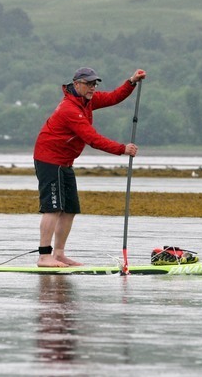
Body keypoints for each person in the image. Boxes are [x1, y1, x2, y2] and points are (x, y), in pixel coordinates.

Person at [33, 67, 147, 267]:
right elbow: (92, 139)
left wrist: (131, 82)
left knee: (70, 209)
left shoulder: (87, 101)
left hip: (65, 162)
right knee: (53, 208)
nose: (93, 87)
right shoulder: (70, 109)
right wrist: (122, 149)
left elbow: (113, 97)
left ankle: (58, 254)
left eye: (95, 84)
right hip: (49, 160)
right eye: (88, 84)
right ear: (76, 84)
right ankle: (44, 256)